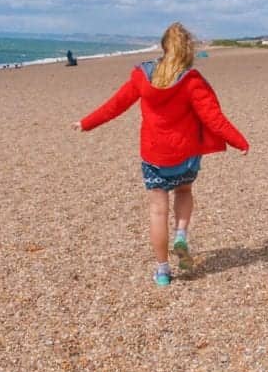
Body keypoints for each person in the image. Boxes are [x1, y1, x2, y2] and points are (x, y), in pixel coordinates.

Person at [73, 22, 249, 287]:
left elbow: (116, 105)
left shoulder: (143, 77)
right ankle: (180, 234)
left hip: (155, 156)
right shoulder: (192, 81)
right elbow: (213, 118)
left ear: (163, 47)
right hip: (186, 155)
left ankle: (163, 271)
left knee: (157, 211)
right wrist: (239, 141)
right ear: (187, 49)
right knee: (185, 192)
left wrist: (87, 123)